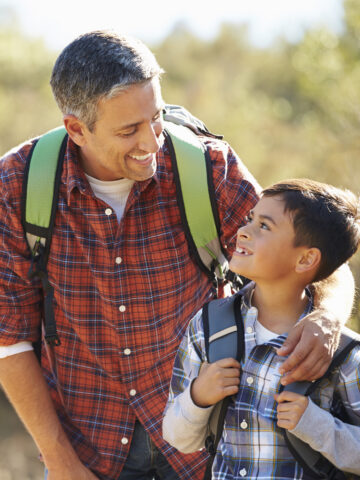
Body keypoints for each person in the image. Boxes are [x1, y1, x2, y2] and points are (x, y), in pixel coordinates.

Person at [0, 31, 354, 480]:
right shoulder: (17, 184)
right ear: (76, 129)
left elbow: (308, 257)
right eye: (128, 130)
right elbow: (9, 338)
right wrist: (60, 461)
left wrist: (327, 318)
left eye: (156, 118)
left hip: (207, 445)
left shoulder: (206, 166)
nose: (151, 142)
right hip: (87, 446)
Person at [163, 179, 360, 479]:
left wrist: (315, 424)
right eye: (249, 219)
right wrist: (198, 396)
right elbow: (178, 437)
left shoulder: (342, 355)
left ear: (306, 258)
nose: (243, 231)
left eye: (264, 227)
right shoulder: (208, 326)